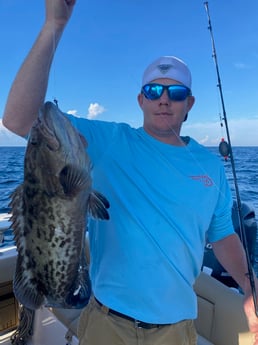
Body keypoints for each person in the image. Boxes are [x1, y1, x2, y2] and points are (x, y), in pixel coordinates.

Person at [3, 1, 258, 344]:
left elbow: (224, 235)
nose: (164, 99)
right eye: (154, 91)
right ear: (141, 100)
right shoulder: (109, 141)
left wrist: (248, 287)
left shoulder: (211, 166)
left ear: (189, 104)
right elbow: (19, 119)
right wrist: (54, 25)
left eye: (176, 92)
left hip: (178, 329)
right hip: (107, 323)